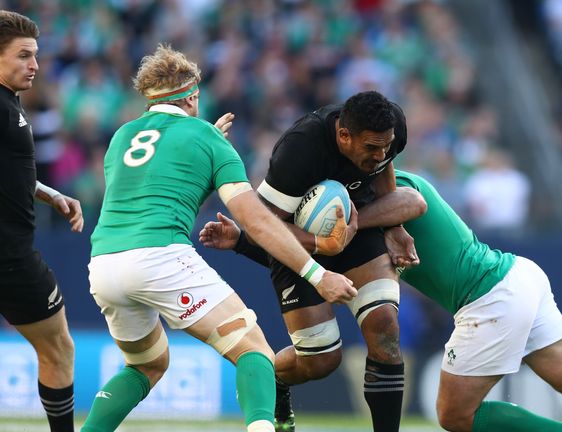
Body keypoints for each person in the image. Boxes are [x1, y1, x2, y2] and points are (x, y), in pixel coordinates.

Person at [201, 169, 562, 432]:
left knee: (454, 416)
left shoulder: (382, 205)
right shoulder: (387, 195)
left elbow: (323, 249)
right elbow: (319, 256)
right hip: (517, 275)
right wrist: (246, 241)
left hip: (489, 299)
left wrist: (265, 233)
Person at [81, 44, 356, 432]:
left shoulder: (122, 137)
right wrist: (317, 274)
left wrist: (203, 140)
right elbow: (257, 222)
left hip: (103, 264)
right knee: (253, 349)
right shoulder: (210, 141)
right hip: (160, 257)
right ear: (193, 96)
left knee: (146, 365)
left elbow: (158, 179)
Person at [204, 90, 414, 432]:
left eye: (386, 147)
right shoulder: (299, 150)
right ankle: (271, 377)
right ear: (344, 136)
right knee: (321, 361)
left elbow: (385, 170)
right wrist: (321, 243)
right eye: (371, 148)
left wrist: (395, 225)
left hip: (356, 227)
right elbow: (263, 228)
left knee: (385, 327)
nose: (380, 155)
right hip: (295, 241)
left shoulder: (391, 131)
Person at [0, 10, 82, 432]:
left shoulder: (10, 100)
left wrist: (49, 193)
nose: (34, 65)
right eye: (23, 55)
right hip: (10, 258)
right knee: (58, 348)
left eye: (35, 55)